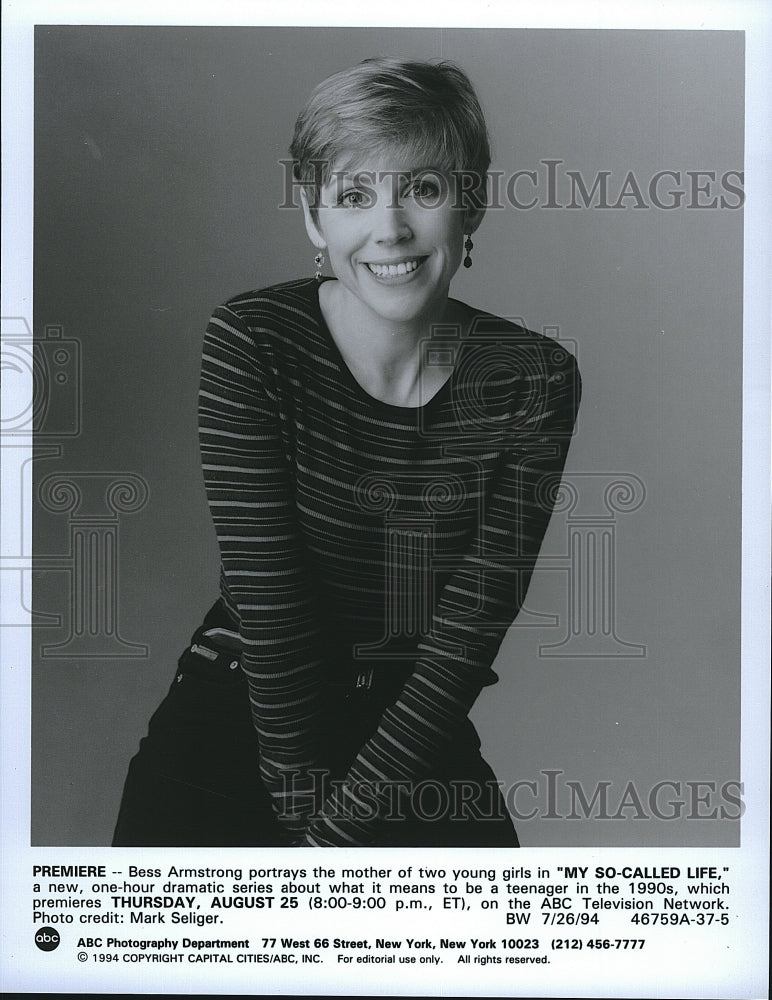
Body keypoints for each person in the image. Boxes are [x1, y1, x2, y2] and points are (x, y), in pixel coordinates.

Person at [113, 57, 581, 848]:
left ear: (473, 203)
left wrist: (342, 834)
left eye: (423, 190)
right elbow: (270, 599)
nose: (390, 230)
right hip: (246, 719)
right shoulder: (255, 340)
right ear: (314, 219)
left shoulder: (533, 378)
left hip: (411, 738)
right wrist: (312, 828)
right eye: (355, 196)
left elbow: (468, 633)